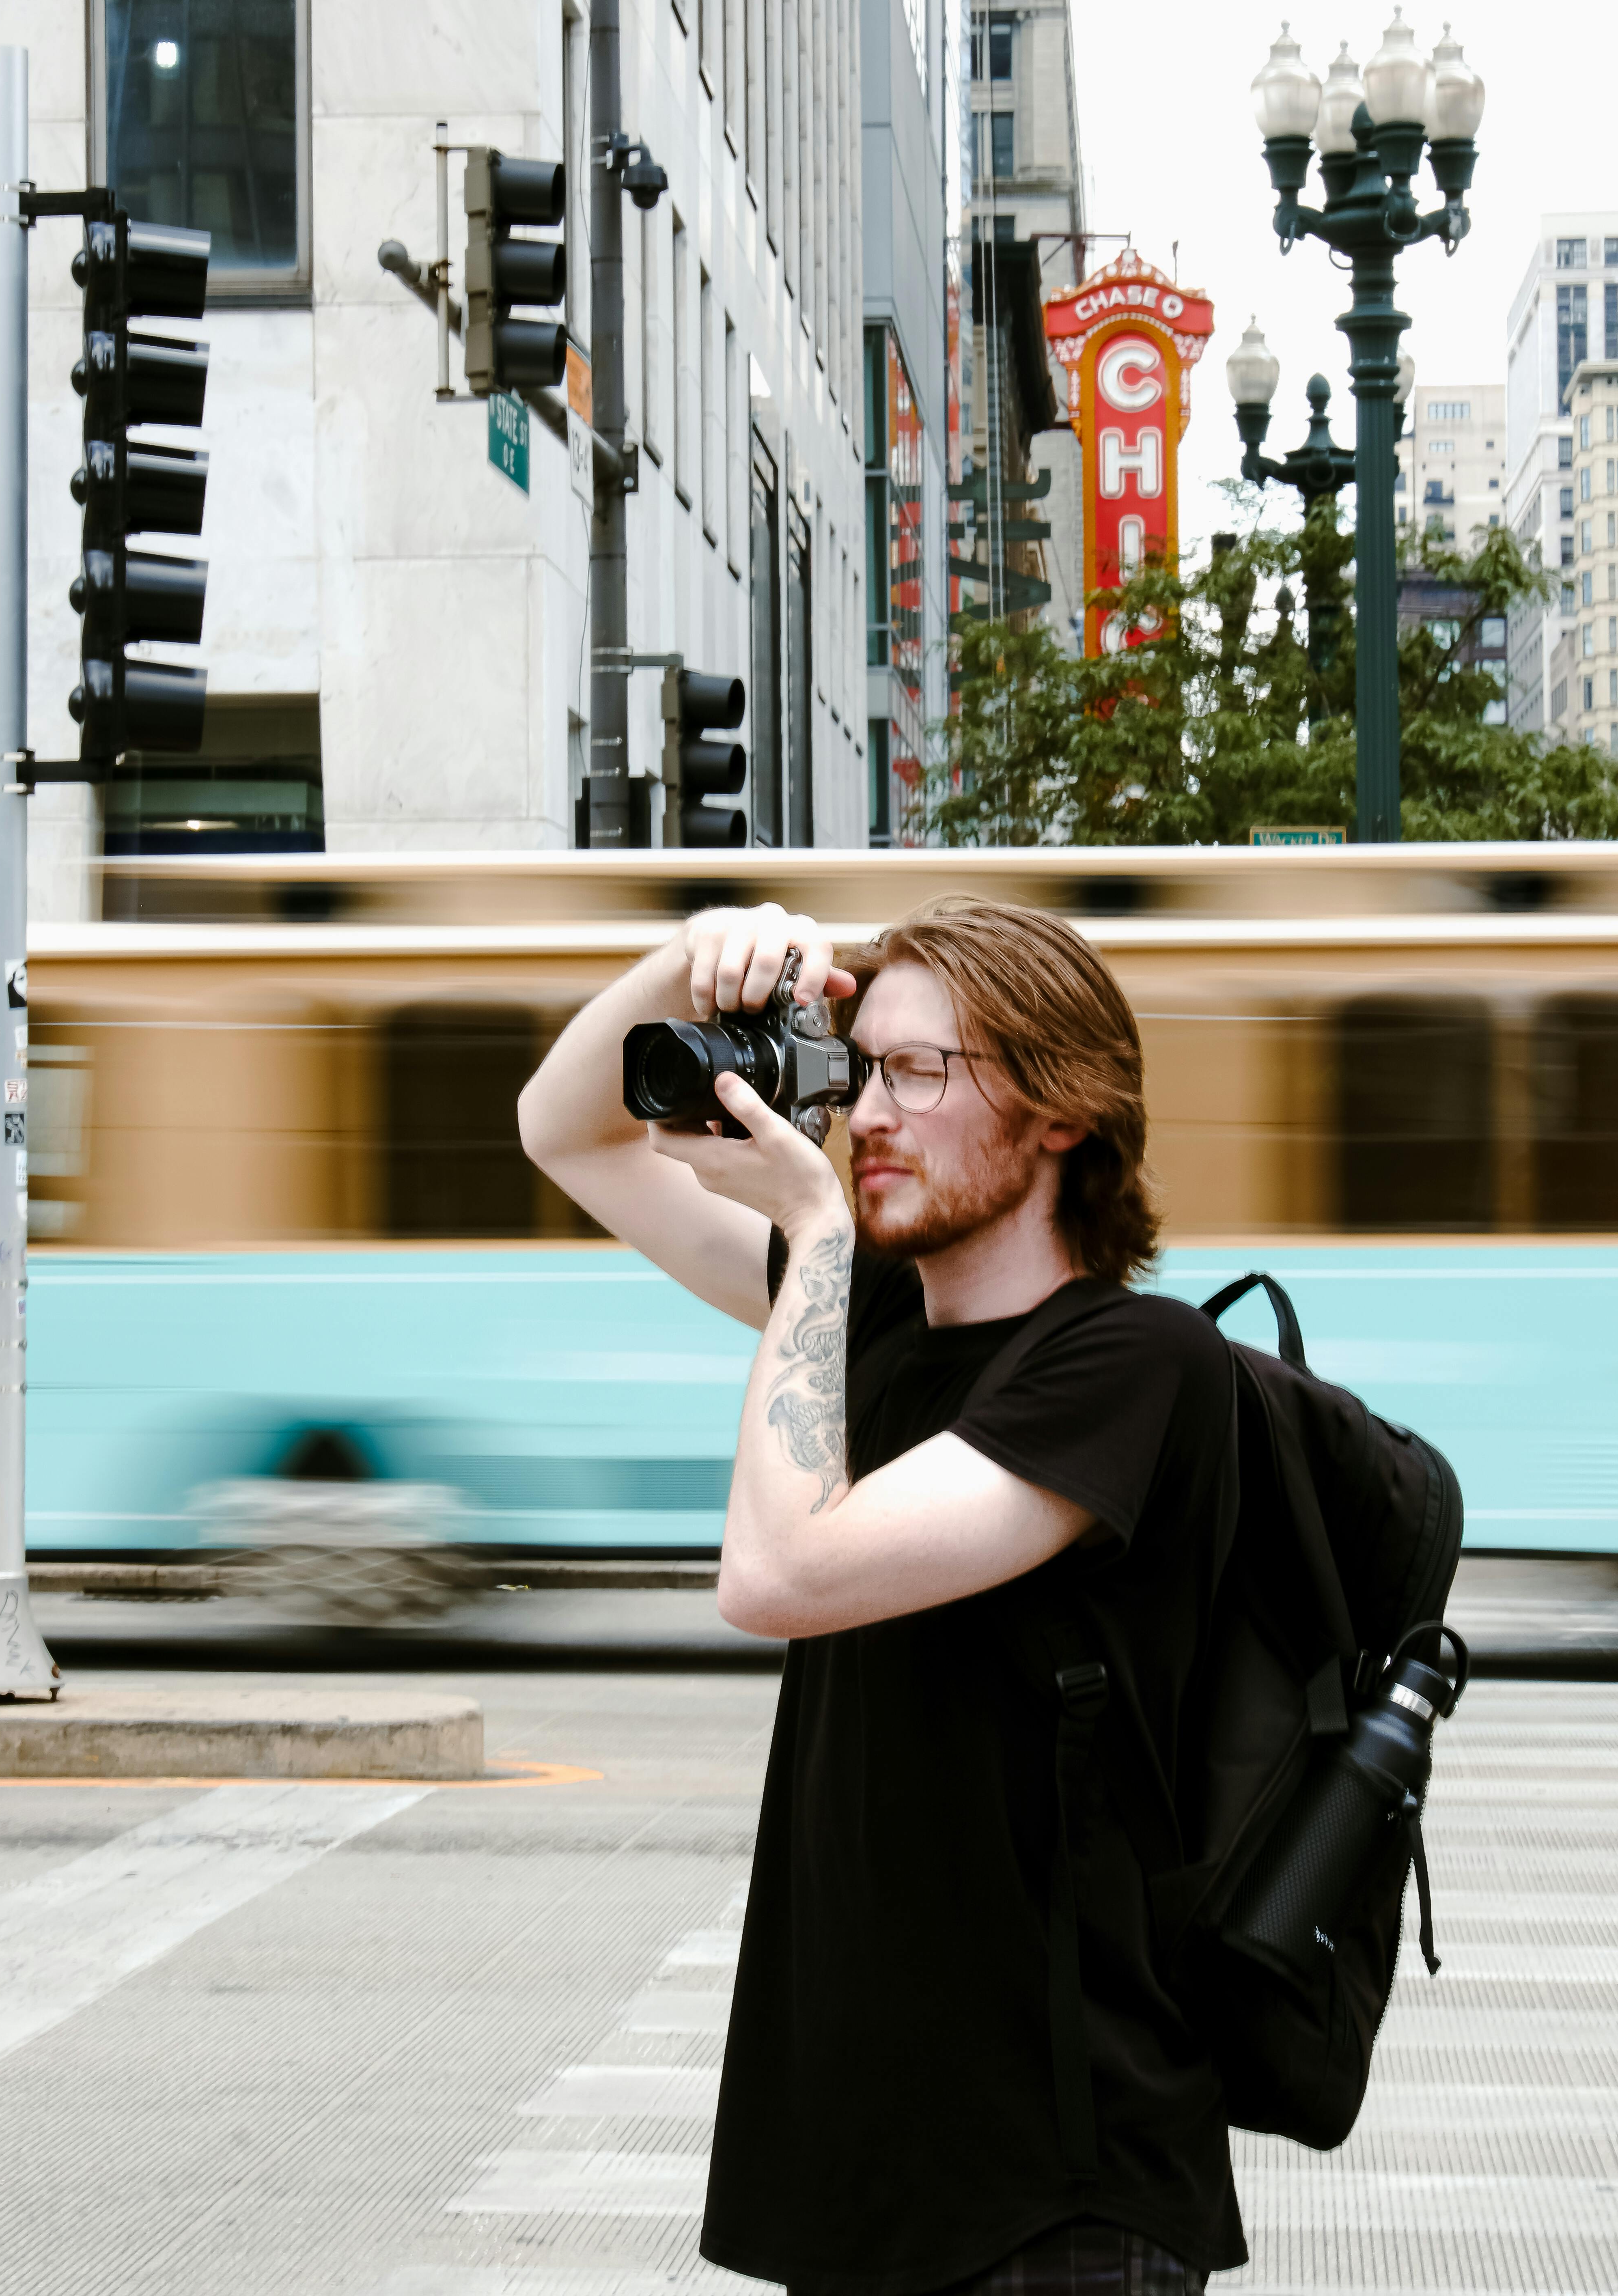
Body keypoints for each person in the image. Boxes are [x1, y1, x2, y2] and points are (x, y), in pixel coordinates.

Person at [518, 896, 1244, 2296]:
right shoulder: (870, 1313)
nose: (868, 1116)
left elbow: (783, 1574)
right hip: (866, 2166)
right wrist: (700, 954)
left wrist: (811, 1228)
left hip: (1056, 2190)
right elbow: (566, 1132)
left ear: (1062, 1116)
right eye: (864, 1068)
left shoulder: (1136, 1369)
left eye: (923, 1073)